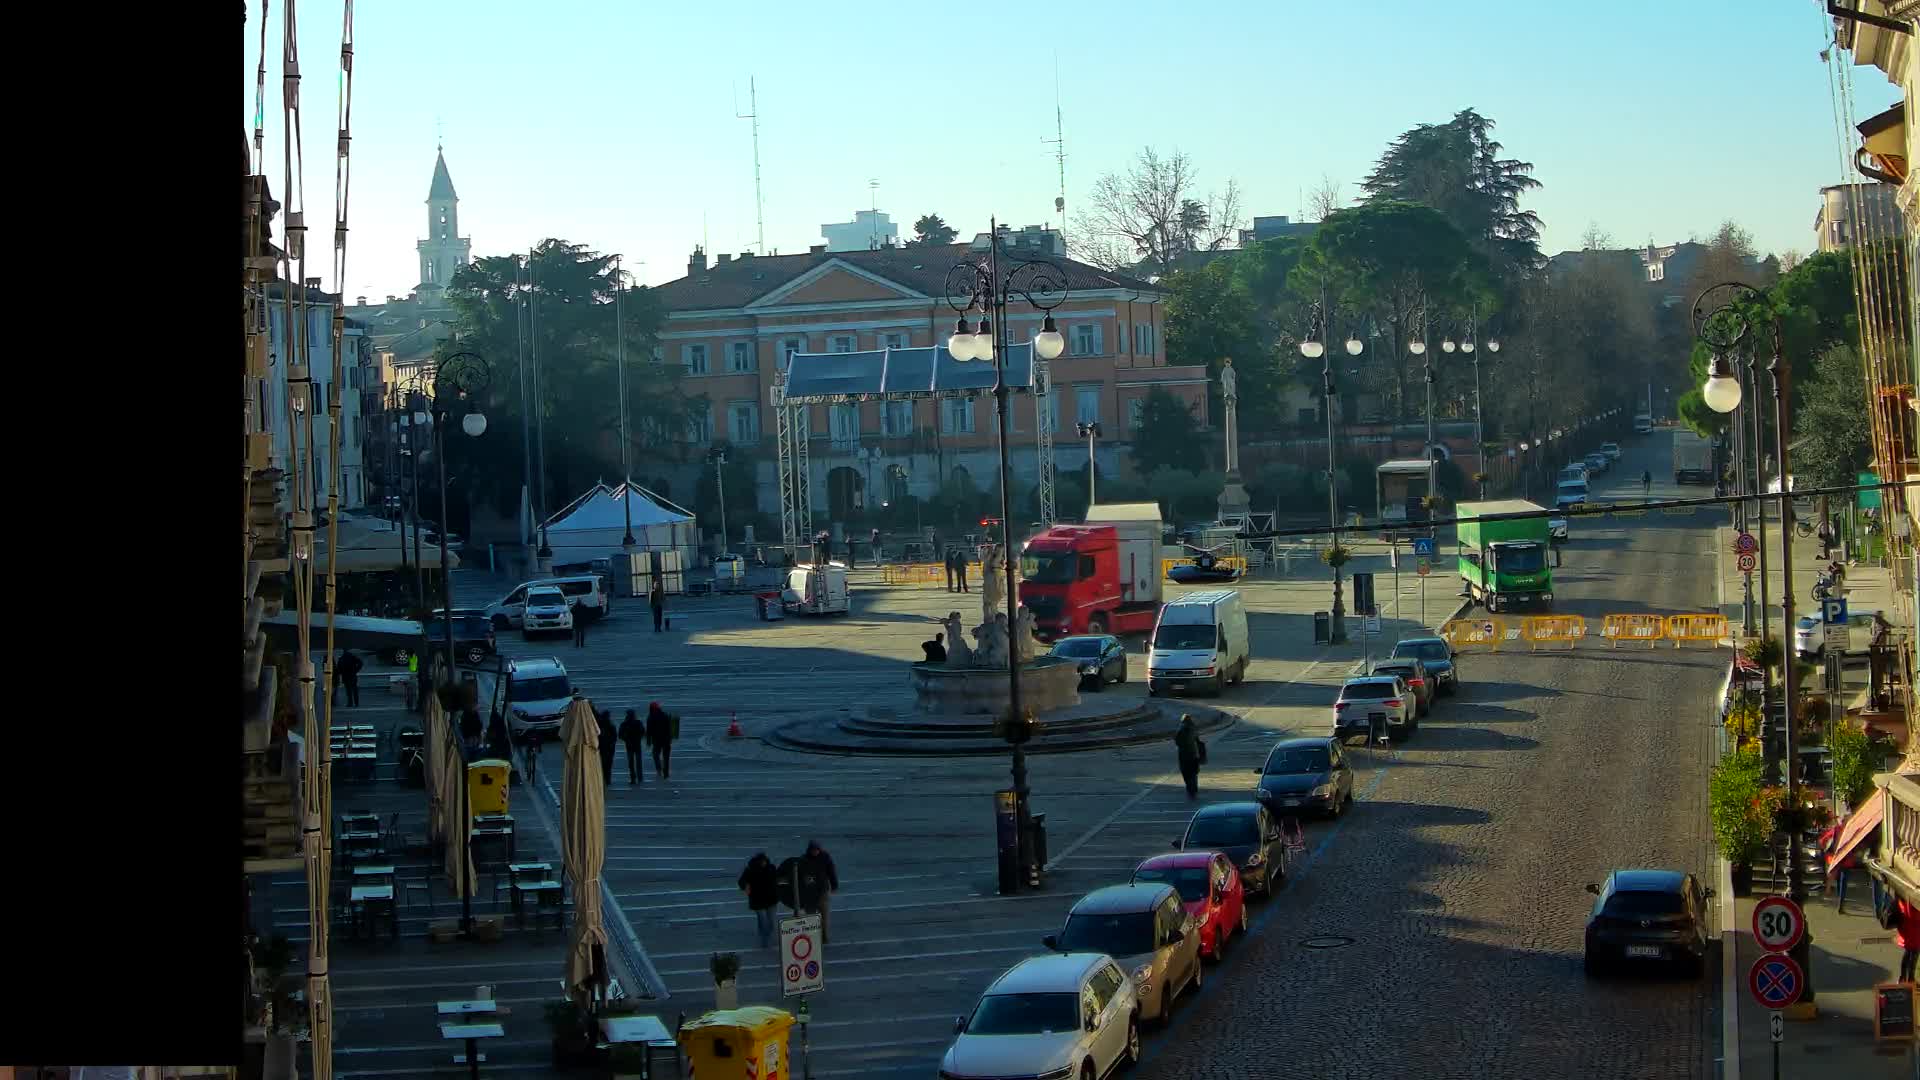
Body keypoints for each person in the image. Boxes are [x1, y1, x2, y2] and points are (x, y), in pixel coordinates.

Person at [798, 839, 840, 944]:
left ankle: (824, 937)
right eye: (813, 850)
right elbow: (800, 876)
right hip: (809, 894)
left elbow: (831, 871)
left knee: (824, 917)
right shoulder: (803, 859)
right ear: (809, 850)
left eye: (817, 849)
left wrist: (834, 885)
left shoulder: (825, 857)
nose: (815, 852)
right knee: (811, 918)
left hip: (822, 892)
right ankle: (812, 938)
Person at [738, 852, 780, 948]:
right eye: (761, 862)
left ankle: (766, 936)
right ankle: (764, 940)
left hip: (770, 899)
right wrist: (745, 886)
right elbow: (741, 881)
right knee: (763, 920)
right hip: (758, 900)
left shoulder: (771, 868)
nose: (763, 863)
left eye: (764, 861)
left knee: (771, 921)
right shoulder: (750, 870)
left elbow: (777, 879)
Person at [1174, 714, 1205, 799]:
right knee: (1193, 774)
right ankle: (1194, 789)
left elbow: (1177, 741)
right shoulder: (1194, 729)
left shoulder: (1181, 730)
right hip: (1194, 755)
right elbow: (1198, 740)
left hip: (1184, 756)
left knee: (1186, 774)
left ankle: (1190, 789)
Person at [646, 701, 677, 779]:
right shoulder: (665, 715)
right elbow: (669, 728)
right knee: (666, 757)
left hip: (656, 740)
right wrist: (670, 738)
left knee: (655, 754)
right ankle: (666, 773)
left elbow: (649, 730)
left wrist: (648, 741)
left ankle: (659, 768)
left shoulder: (650, 717)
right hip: (666, 739)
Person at [619, 708, 646, 785]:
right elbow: (643, 732)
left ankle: (633, 778)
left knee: (631, 763)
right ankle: (639, 777)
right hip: (637, 744)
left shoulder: (624, 724)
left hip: (629, 745)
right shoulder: (638, 723)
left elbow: (620, 735)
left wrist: (626, 739)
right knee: (638, 762)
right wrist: (639, 737)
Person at [1898, 896, 1920, 983]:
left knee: (1909, 951)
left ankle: (1903, 978)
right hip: (1915, 923)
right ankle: (1910, 979)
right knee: (1914, 952)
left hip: (1908, 921)